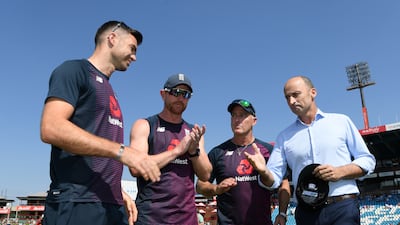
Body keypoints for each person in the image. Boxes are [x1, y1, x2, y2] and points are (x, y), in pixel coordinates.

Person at [40, 20, 161, 225]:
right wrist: (123, 151)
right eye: (132, 48)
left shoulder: (110, 90)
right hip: (77, 202)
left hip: (109, 203)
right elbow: (51, 128)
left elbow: (100, 154)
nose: (135, 56)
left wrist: (116, 190)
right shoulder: (74, 70)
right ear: (112, 39)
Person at [245, 75, 376, 225]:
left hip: (342, 208)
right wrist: (263, 171)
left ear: (313, 92)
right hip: (306, 212)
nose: (291, 101)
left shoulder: (341, 122)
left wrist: (341, 171)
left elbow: (367, 160)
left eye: (296, 95)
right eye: (287, 97)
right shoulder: (284, 137)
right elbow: (273, 180)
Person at [129, 73, 212, 225]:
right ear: (163, 94)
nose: (180, 98)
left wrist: (194, 152)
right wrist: (177, 151)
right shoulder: (145, 125)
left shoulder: (193, 132)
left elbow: (206, 174)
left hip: (186, 218)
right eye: (176, 92)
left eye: (186, 94)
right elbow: (135, 168)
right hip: (151, 217)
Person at [196, 99, 291, 225]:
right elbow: (200, 185)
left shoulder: (268, 151)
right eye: (234, 115)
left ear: (254, 121)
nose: (237, 119)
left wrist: (282, 213)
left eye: (242, 115)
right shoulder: (218, 152)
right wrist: (216, 189)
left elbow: (284, 183)